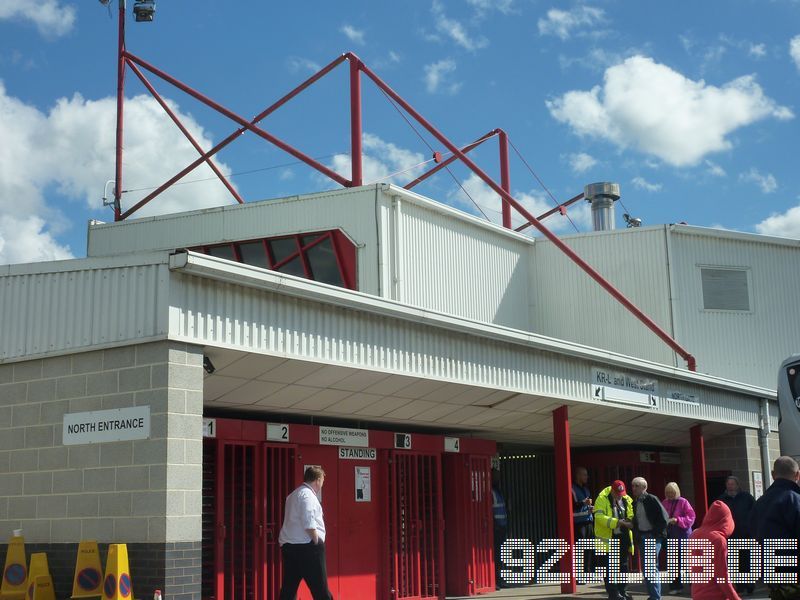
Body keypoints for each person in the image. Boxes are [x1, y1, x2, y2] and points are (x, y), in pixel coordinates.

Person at [278, 466, 333, 600]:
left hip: (289, 545)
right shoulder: (307, 495)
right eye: (322, 481)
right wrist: (316, 540)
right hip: (308, 546)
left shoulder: (292, 495)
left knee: (289, 588)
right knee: (320, 589)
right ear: (318, 480)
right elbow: (308, 519)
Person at [750, 456, 800, 600]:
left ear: (773, 474)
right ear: (797, 475)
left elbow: (754, 534)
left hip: (772, 574)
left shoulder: (759, 503)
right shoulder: (795, 499)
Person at [689, 500, 741, 600]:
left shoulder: (695, 534)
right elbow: (721, 575)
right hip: (715, 594)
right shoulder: (718, 540)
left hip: (697, 593)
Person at [595, 479, 634, 600]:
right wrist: (617, 522)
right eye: (617, 494)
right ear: (612, 490)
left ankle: (623, 591)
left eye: (621, 494)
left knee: (623, 566)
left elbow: (632, 513)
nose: (619, 496)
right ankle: (613, 593)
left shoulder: (626, 498)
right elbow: (599, 517)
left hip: (623, 537)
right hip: (609, 537)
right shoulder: (602, 498)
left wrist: (630, 521)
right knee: (610, 568)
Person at [631, 476, 668, 600]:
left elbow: (664, 519)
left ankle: (655, 597)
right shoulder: (635, 502)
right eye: (633, 485)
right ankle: (653, 596)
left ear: (644, 487)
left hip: (652, 537)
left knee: (651, 567)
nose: (634, 488)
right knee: (647, 569)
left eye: (637, 485)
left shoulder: (652, 499)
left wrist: (655, 534)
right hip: (642, 537)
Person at [718, 476, 756, 595]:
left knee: (747, 561)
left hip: (746, 534)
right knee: (735, 563)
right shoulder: (721, 499)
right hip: (731, 536)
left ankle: (750, 585)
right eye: (728, 484)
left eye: (732, 484)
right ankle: (739, 587)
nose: (730, 486)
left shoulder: (747, 497)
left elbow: (755, 513)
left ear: (738, 485)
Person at [662, 481, 696, 594]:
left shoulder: (683, 502)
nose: (670, 495)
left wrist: (678, 520)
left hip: (683, 536)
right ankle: (675, 587)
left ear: (676, 492)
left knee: (688, 563)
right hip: (671, 536)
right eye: (668, 492)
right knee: (673, 563)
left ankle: (694, 587)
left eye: (672, 492)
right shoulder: (664, 502)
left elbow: (691, 517)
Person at [573, 466, 594, 580]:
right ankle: (579, 575)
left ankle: (587, 571)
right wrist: (583, 502)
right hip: (578, 522)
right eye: (584, 475)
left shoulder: (586, 489)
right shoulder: (572, 488)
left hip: (588, 521)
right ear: (578, 476)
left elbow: (586, 504)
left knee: (588, 548)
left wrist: (590, 508)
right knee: (579, 549)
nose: (587, 477)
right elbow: (571, 505)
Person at [491, 469, 508, 589]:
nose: (498, 478)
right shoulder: (491, 491)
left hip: (502, 526)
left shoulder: (498, 491)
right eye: (496, 476)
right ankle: (495, 580)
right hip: (495, 528)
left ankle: (500, 579)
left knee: (500, 555)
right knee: (495, 556)